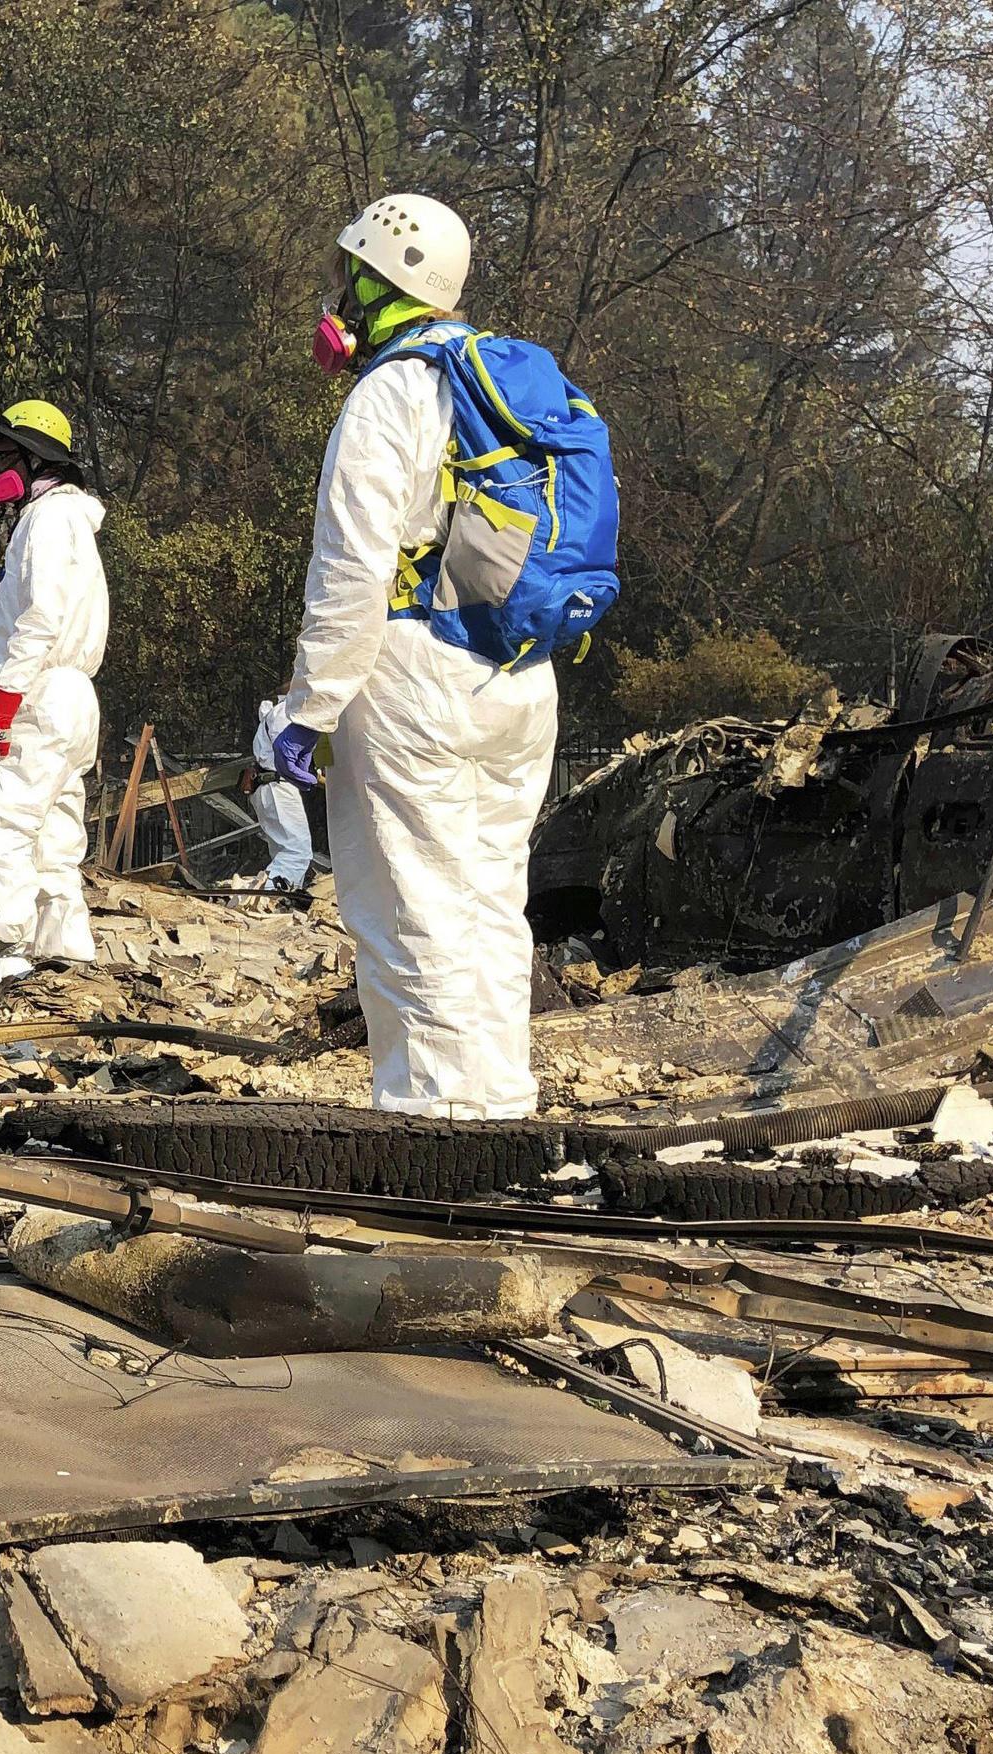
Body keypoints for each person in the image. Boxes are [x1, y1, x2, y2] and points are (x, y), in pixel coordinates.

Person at [270, 193, 563, 1118]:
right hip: (518, 678)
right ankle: (498, 1105)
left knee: (410, 912)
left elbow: (351, 569)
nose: (339, 297)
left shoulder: (389, 394)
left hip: (415, 678)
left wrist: (307, 712)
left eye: (351, 276)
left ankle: (435, 1133)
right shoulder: (503, 389)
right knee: (487, 905)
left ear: (381, 281)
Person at [0, 399, 107, 985]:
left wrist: (1, 699)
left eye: (1, 455)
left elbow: (42, 616)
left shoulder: (46, 519)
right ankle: (66, 951)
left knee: (3, 826)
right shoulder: (69, 520)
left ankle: (7, 952)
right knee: (55, 833)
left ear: (32, 458)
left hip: (42, 690)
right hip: (73, 697)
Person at [247, 695, 315, 892]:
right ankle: (268, 896)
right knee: (296, 852)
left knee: (283, 852)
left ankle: (279, 900)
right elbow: (285, 752)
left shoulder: (282, 711)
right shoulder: (285, 712)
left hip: (271, 785)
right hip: (276, 785)